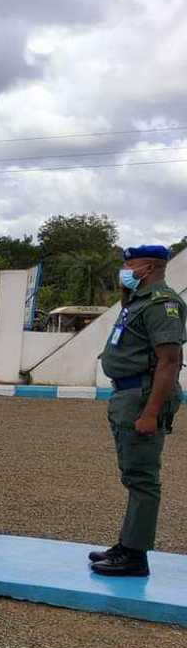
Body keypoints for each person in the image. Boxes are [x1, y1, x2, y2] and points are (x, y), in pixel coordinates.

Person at [88, 244, 184, 576]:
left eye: (130, 264)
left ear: (150, 267)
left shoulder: (163, 304)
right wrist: (124, 290)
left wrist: (151, 413)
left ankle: (135, 556)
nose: (125, 269)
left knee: (143, 478)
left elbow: (170, 362)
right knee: (133, 474)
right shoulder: (138, 300)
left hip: (142, 398)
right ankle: (127, 544)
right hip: (127, 395)